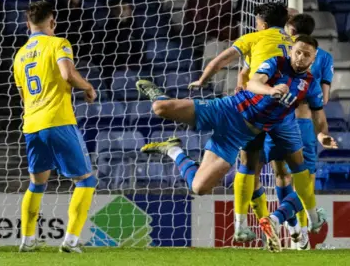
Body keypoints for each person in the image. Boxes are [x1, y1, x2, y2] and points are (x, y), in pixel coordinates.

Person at [137, 35, 333, 250]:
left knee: (199, 187)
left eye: (306, 55)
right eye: (297, 52)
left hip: (238, 134)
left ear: (313, 59)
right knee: (160, 109)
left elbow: (318, 115)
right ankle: (157, 94)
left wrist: (322, 134)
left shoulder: (310, 86)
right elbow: (254, 81)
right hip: (227, 109)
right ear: (290, 51)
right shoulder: (277, 63)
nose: (300, 57)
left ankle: (173, 150)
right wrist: (271, 90)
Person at [186, 2, 293, 243]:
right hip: (284, 113)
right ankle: (291, 230)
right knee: (283, 171)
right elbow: (247, 72)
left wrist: (201, 80)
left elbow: (218, 61)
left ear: (262, 23)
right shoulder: (293, 43)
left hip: (255, 109)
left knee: (248, 164)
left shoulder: (253, 38)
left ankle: (242, 224)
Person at [239, 13, 335, 250]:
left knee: (279, 175)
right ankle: (282, 222)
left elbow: (245, 79)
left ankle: (293, 232)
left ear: (290, 30)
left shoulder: (277, 52)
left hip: (272, 121)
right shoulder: (322, 57)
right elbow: (322, 99)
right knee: (305, 181)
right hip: (300, 123)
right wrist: (321, 132)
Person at [13, 1, 97, 253]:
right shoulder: (59, 44)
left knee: (37, 184)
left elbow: (22, 96)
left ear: (28, 24)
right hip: (58, 120)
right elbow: (67, 74)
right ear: (53, 21)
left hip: (32, 124)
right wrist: (88, 87)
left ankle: (27, 240)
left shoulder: (19, 56)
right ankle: (71, 241)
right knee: (86, 181)